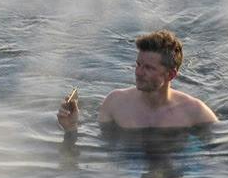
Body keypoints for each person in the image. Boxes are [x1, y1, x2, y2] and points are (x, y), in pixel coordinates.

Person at [57, 30, 217, 132]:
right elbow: (100, 155)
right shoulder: (115, 104)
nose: (139, 72)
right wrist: (71, 130)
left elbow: (220, 157)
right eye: (138, 64)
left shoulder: (194, 112)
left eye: (149, 68)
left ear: (171, 75)